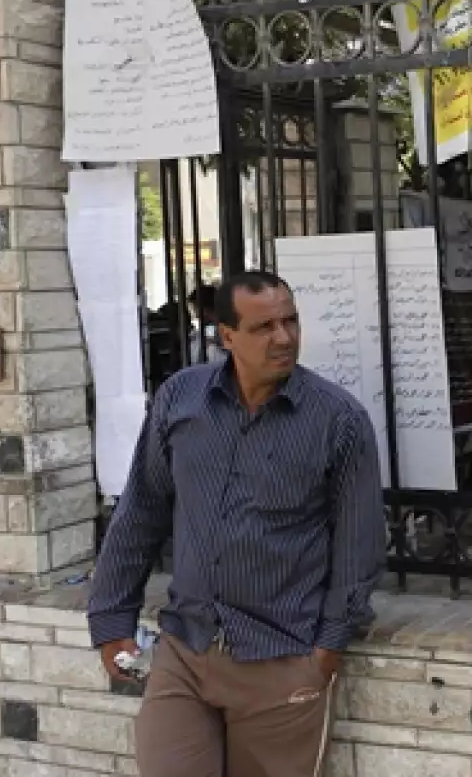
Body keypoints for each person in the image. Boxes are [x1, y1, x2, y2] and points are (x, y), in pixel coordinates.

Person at [87, 270, 386, 777]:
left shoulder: (339, 420)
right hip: (186, 648)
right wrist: (111, 619)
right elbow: (142, 509)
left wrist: (324, 655)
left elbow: (358, 546)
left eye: (291, 321)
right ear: (227, 336)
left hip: (280, 660)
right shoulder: (181, 399)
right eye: (264, 326)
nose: (285, 337)